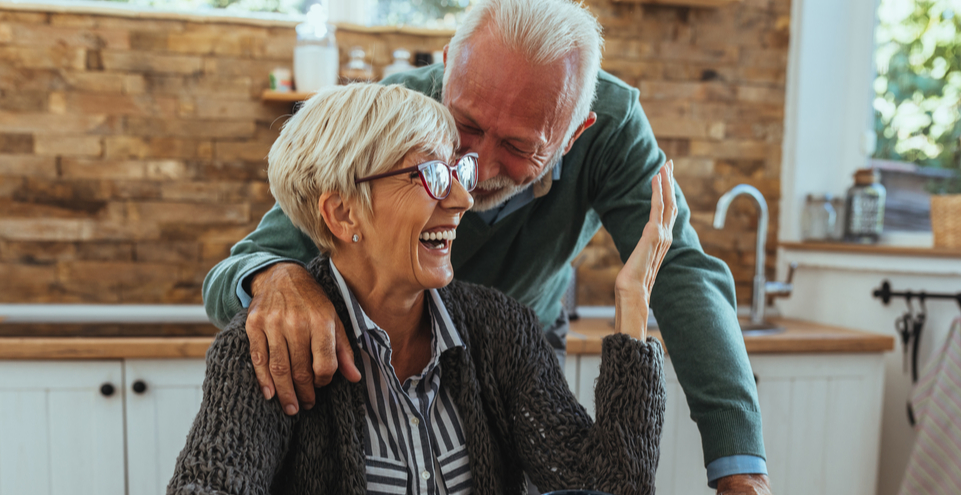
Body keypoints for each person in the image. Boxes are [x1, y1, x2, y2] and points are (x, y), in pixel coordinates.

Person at [202, 0, 770, 492]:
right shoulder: (392, 114)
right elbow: (251, 261)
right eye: (465, 126)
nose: (472, 181)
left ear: (574, 135)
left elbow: (680, 273)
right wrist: (276, 279)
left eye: (520, 146)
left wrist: (738, 466)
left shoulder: (613, 130)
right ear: (448, 69)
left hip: (518, 351)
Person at [171, 83, 671, 495]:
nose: (460, 198)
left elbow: (609, 488)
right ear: (343, 213)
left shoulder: (500, 330)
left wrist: (633, 304)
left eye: (457, 170)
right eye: (430, 174)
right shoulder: (266, 349)